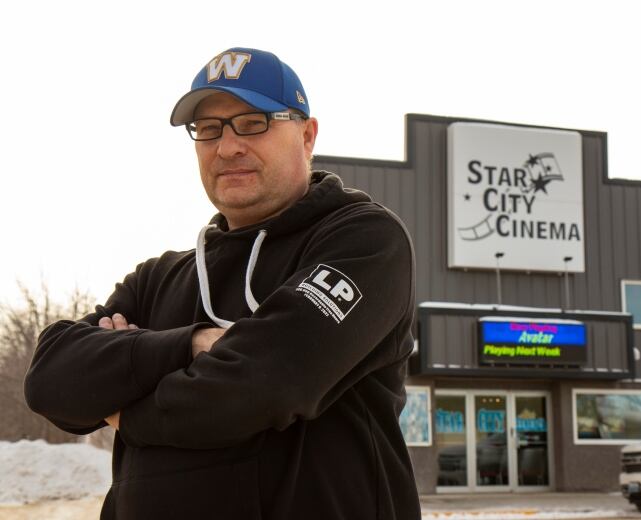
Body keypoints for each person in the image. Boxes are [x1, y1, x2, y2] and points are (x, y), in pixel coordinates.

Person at [24, 47, 420, 520]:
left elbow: (265, 384)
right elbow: (50, 380)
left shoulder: (363, 240)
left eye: (253, 122)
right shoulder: (159, 278)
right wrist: (190, 345)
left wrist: (126, 411)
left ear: (307, 135)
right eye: (208, 129)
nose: (227, 146)